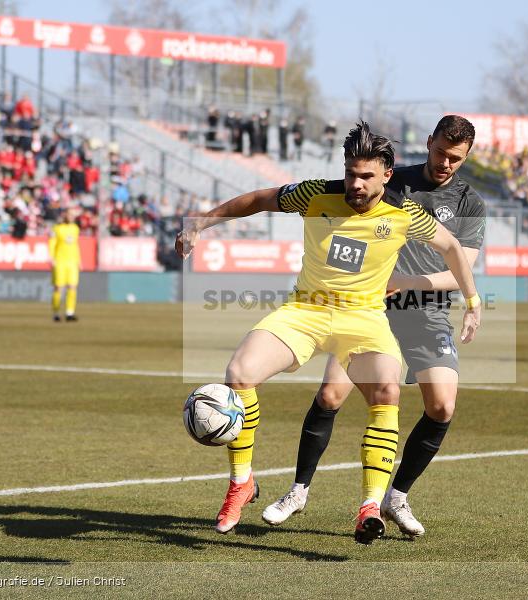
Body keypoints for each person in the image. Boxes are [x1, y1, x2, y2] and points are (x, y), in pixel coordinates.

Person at [175, 122, 482, 544]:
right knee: (240, 372)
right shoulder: (317, 193)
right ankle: (241, 483)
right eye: (351, 173)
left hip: (365, 319)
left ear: (386, 176)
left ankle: (371, 506)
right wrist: (200, 224)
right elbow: (259, 199)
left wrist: (474, 301)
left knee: (386, 392)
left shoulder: (404, 213)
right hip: (306, 311)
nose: (355, 184)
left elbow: (452, 249)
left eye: (366, 176)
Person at [262, 115, 485, 537]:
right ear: (428, 143)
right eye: (439, 153)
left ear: (467, 156)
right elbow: (338, 210)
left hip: (427, 312)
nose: (445, 164)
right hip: (368, 311)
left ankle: (395, 495)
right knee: (330, 394)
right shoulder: (386, 178)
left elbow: (461, 268)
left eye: (455, 158)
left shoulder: (470, 204)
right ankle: (298, 490)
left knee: (442, 406)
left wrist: (406, 283)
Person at [49, 207, 81, 322]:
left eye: (73, 215)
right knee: (58, 288)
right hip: (60, 261)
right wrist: (52, 258)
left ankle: (70, 312)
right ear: (65, 215)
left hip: (72, 262)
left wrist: (79, 260)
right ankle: (56, 312)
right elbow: (52, 243)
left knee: (72, 287)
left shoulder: (75, 229)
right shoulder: (57, 228)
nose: (71, 217)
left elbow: (76, 245)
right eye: (69, 215)